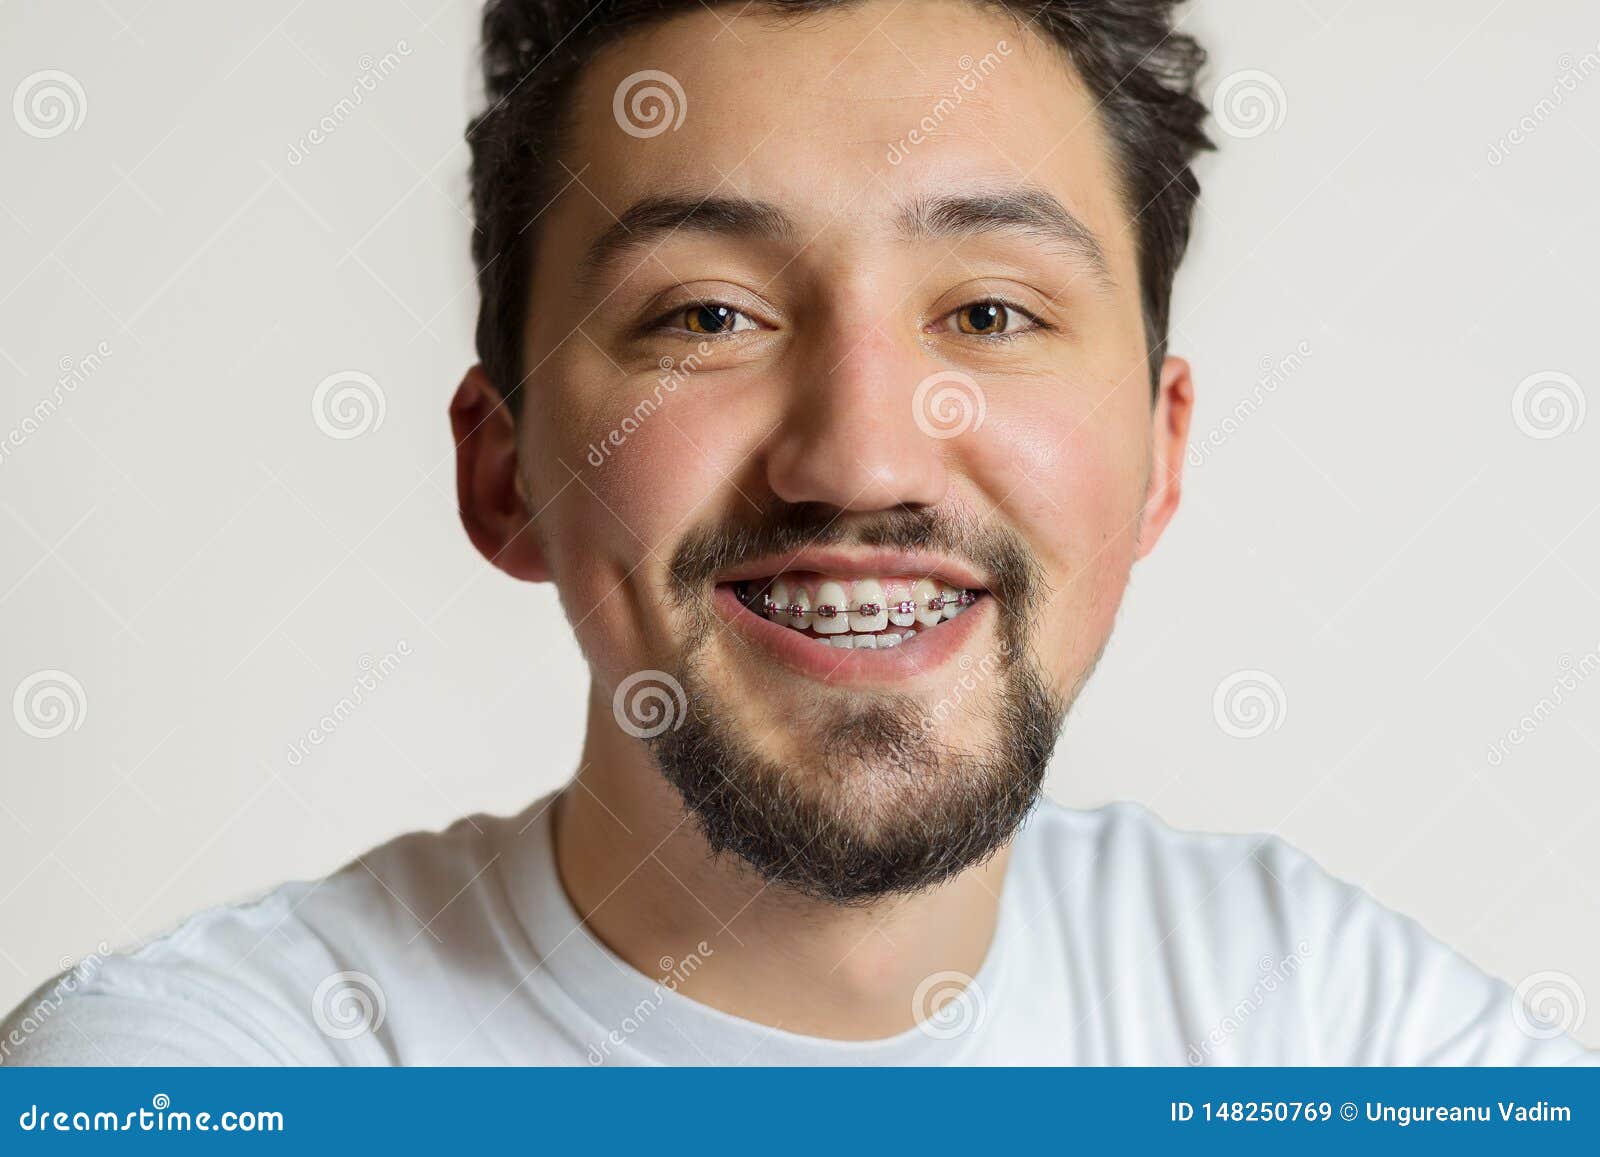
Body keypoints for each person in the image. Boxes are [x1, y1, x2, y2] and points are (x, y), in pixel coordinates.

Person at [4, 0, 1592, 1066]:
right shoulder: (199, 1073)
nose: (859, 456)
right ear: (506, 473)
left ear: (1158, 459)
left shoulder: (1327, 1025)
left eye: (989, 310)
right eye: (707, 314)